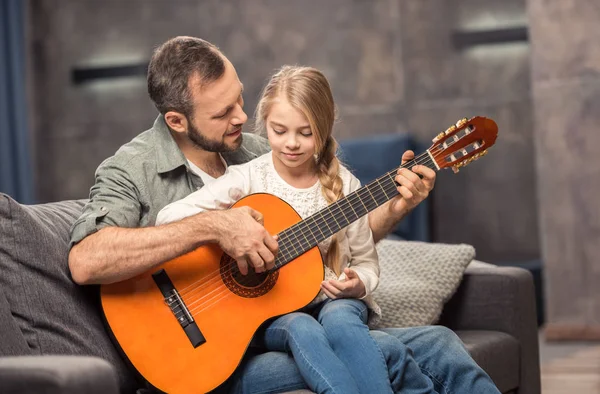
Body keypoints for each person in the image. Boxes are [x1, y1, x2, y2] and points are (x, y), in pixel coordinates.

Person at [68, 36, 500, 394]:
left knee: (440, 343)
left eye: (239, 99)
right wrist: (215, 226)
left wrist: (395, 207)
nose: (242, 117)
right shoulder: (132, 168)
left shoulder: (260, 151)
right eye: (223, 113)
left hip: (290, 318)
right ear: (177, 121)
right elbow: (86, 260)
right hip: (207, 352)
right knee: (381, 353)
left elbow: (341, 233)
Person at [156, 65, 435, 394]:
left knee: (341, 321)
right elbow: (169, 217)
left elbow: (366, 262)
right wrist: (222, 226)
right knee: (300, 325)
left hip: (334, 300)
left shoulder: (345, 185)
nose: (291, 143)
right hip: (271, 312)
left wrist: (358, 283)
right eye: (279, 130)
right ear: (265, 124)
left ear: (325, 127)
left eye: (306, 133)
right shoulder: (247, 178)